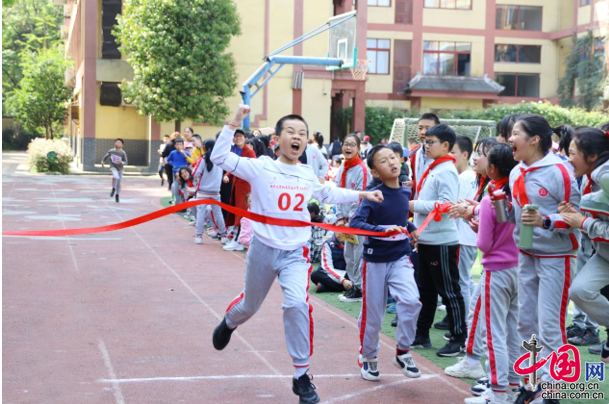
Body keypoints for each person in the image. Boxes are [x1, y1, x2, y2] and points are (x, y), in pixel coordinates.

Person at [210, 104, 383, 404]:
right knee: (250, 305)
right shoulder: (261, 166)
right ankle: (229, 322)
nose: (298, 137)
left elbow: (327, 192)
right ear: (277, 140)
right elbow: (219, 157)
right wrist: (234, 122)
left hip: (295, 253)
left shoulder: (306, 173)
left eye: (302, 133)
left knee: (297, 304)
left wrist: (362, 194)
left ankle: (301, 376)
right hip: (263, 249)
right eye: (291, 131)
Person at [506, 115, 580, 403]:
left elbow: (575, 218)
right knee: (525, 323)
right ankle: (532, 382)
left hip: (557, 257)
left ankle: (553, 390)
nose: (510, 139)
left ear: (534, 140)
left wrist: (545, 220)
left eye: (515, 133)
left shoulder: (561, 172)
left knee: (550, 325)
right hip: (526, 255)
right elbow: (515, 216)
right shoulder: (516, 171)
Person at [350, 144, 422, 382]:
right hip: (375, 262)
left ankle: (402, 352)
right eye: (383, 160)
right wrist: (383, 230)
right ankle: (368, 357)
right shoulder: (374, 196)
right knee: (373, 316)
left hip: (400, 257)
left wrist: (411, 227)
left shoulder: (405, 192)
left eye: (393, 157)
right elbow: (355, 224)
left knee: (411, 301)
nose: (391, 162)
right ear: (375, 171)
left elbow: (400, 218)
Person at [460, 143, 522, 404]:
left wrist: (476, 227)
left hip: (496, 271)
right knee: (514, 332)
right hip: (519, 269)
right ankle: (514, 387)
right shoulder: (518, 195)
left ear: (493, 168)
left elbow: (485, 244)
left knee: (495, 333)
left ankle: (496, 393)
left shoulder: (490, 199)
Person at [408, 124, 466, 357]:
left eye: (431, 142)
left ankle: (458, 338)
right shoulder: (435, 168)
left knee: (449, 291)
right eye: (425, 141)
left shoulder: (446, 170)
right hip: (428, 239)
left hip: (442, 241)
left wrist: (414, 205)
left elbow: (447, 204)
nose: (426, 145)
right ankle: (422, 334)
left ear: (445, 145)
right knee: (426, 291)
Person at [562, 127, 609, 355]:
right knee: (580, 291)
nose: (568, 159)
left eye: (572, 153)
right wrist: (578, 217)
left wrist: (583, 222)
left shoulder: (605, 175)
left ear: (592, 156)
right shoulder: (595, 176)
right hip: (604, 254)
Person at [335, 133, 372, 303]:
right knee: (348, 255)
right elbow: (337, 194)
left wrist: (352, 219)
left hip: (358, 222)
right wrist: (340, 218)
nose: (348, 148)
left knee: (359, 255)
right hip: (345, 222)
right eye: (346, 144)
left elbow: (361, 197)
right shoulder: (342, 168)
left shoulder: (362, 170)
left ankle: (360, 288)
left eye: (352, 145)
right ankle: (354, 286)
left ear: (358, 148)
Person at [223, 128, 256, 252]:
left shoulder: (249, 152)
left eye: (240, 136)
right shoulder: (234, 151)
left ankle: (238, 240)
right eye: (236, 136)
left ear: (245, 138)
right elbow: (232, 166)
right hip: (236, 185)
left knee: (242, 213)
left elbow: (252, 168)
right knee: (237, 212)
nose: (238, 138)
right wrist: (228, 174)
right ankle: (238, 238)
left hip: (245, 186)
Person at [193, 139, 229, 245]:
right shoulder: (219, 159)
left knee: (201, 213)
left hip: (203, 191)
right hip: (215, 191)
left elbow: (195, 173)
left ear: (204, 147)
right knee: (218, 214)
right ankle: (224, 235)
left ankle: (199, 236)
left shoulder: (203, 159)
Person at [411, 113, 440, 200]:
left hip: (434, 205)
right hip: (416, 204)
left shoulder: (443, 156)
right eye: (420, 128)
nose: (423, 132)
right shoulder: (413, 154)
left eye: (428, 128)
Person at [101, 138, 128, 203]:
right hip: (113, 167)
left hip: (120, 169)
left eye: (119, 143)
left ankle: (117, 195)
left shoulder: (123, 152)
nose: (117, 144)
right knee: (115, 177)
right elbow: (105, 157)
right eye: (116, 142)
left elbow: (126, 162)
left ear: (122, 145)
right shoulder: (111, 151)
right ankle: (113, 188)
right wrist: (102, 162)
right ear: (114, 143)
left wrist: (121, 162)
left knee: (119, 183)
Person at [166, 138, 191, 205]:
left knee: (185, 187)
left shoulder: (185, 153)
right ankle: (177, 204)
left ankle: (185, 204)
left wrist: (186, 166)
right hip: (175, 172)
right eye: (177, 145)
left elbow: (190, 161)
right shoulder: (172, 153)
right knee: (176, 188)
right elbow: (168, 160)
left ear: (183, 145)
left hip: (184, 173)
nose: (178, 146)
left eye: (180, 144)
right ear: (174, 145)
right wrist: (173, 164)